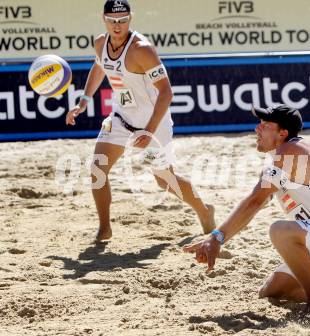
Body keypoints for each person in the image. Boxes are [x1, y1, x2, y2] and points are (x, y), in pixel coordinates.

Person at [184, 104, 310, 310]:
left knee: (280, 231)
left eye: (265, 125)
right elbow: (253, 205)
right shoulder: (277, 162)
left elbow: (254, 201)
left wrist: (217, 238)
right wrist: (215, 239)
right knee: (271, 292)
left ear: (283, 133)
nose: (257, 129)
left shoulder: (291, 151)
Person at [66, 0, 215, 241]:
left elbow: (166, 93)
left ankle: (205, 210)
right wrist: (83, 101)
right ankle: (105, 228)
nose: (118, 25)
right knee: (97, 169)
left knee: (164, 179)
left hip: (153, 121)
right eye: (113, 20)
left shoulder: (141, 49)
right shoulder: (100, 43)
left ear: (130, 18)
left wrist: (148, 131)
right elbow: (99, 66)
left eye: (123, 20)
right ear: (103, 19)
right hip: (122, 118)